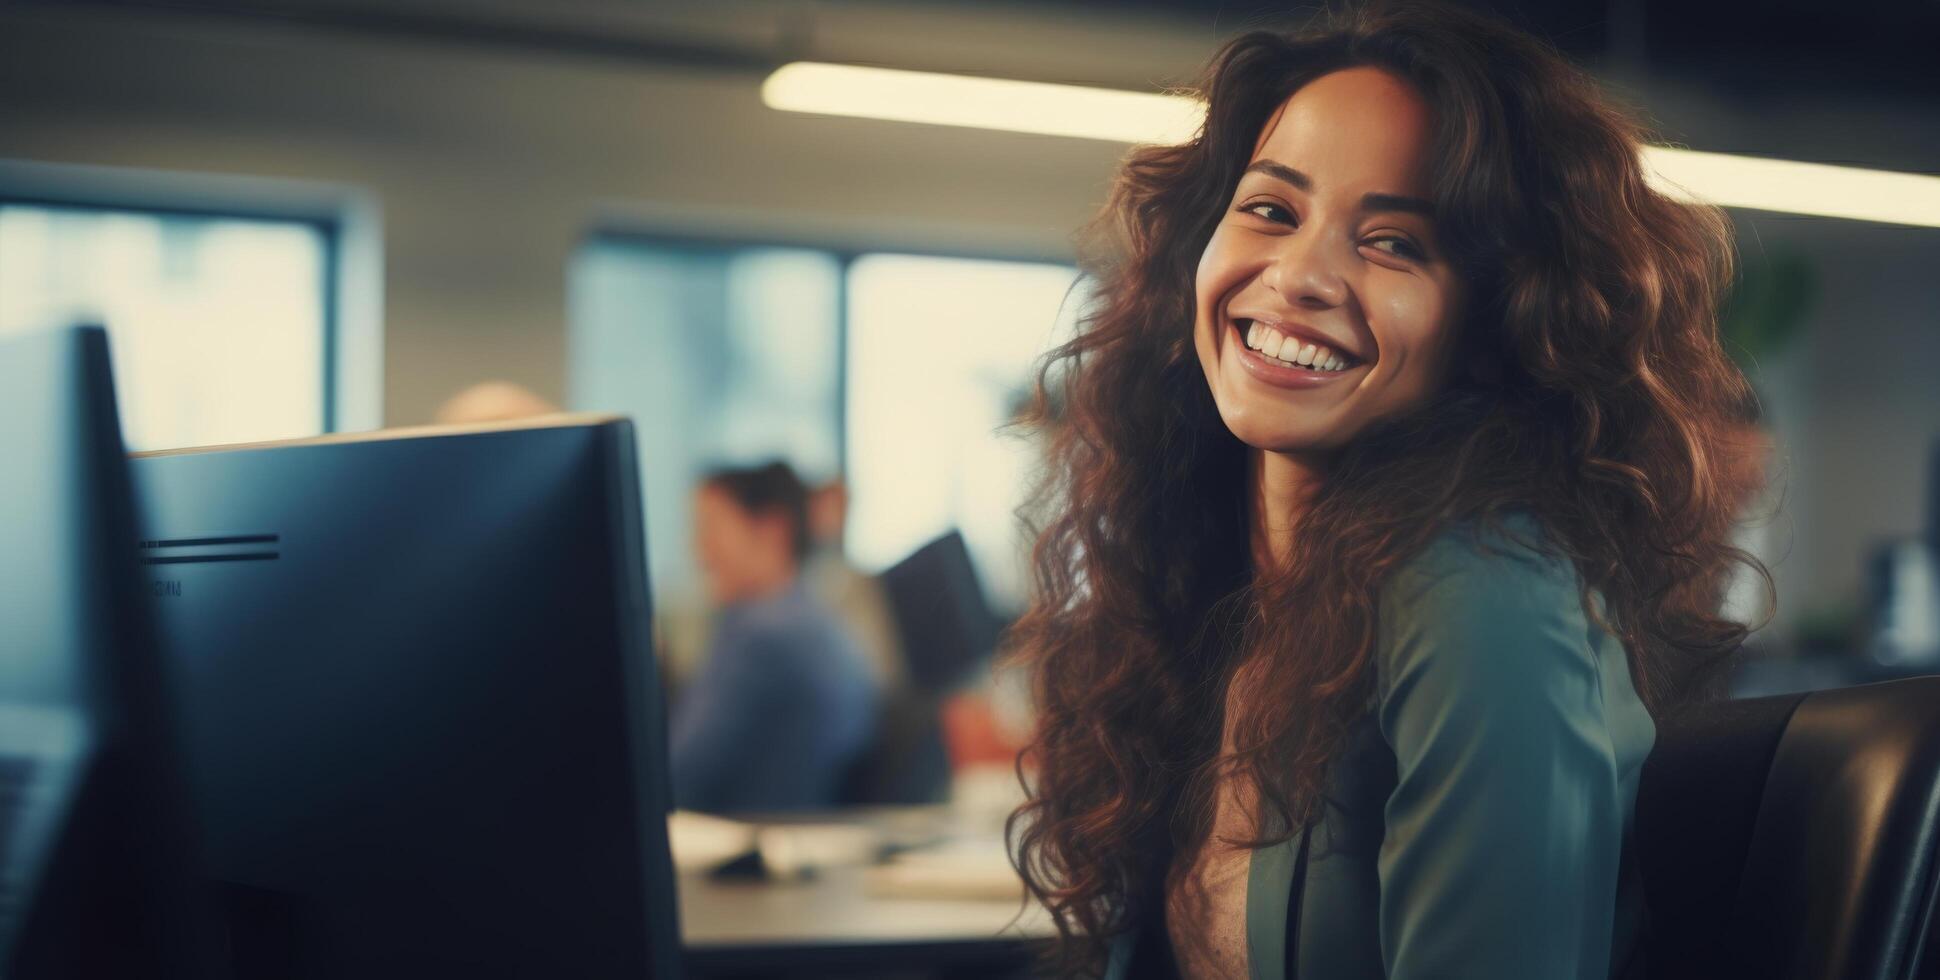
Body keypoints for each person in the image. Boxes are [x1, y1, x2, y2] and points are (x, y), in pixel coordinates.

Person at [1002, 3, 1768, 978]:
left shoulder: (1484, 593)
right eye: (1270, 210)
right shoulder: (1213, 594)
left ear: (1494, 319)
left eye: (1394, 242)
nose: (1299, 275)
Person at [670, 461, 881, 814]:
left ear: (771, 529)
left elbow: (680, 775)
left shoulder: (761, 634)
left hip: (749, 847)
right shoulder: (814, 619)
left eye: (710, 529)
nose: (698, 551)